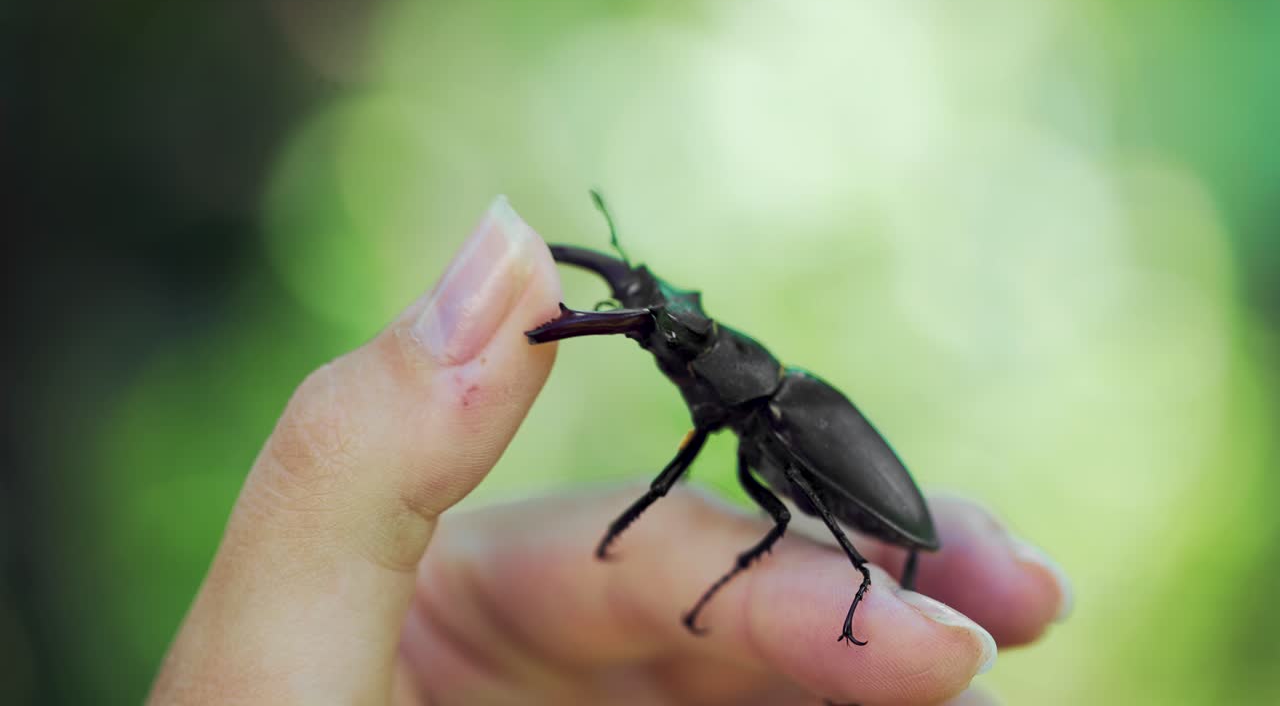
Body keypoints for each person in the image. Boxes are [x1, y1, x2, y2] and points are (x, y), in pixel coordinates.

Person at [148, 198, 1072, 705]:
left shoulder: (775, 417)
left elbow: (801, 502)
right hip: (850, 504)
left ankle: (860, 582)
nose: (654, 333)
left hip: (868, 508)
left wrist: (864, 576)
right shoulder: (756, 401)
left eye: (671, 340)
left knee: (782, 511)